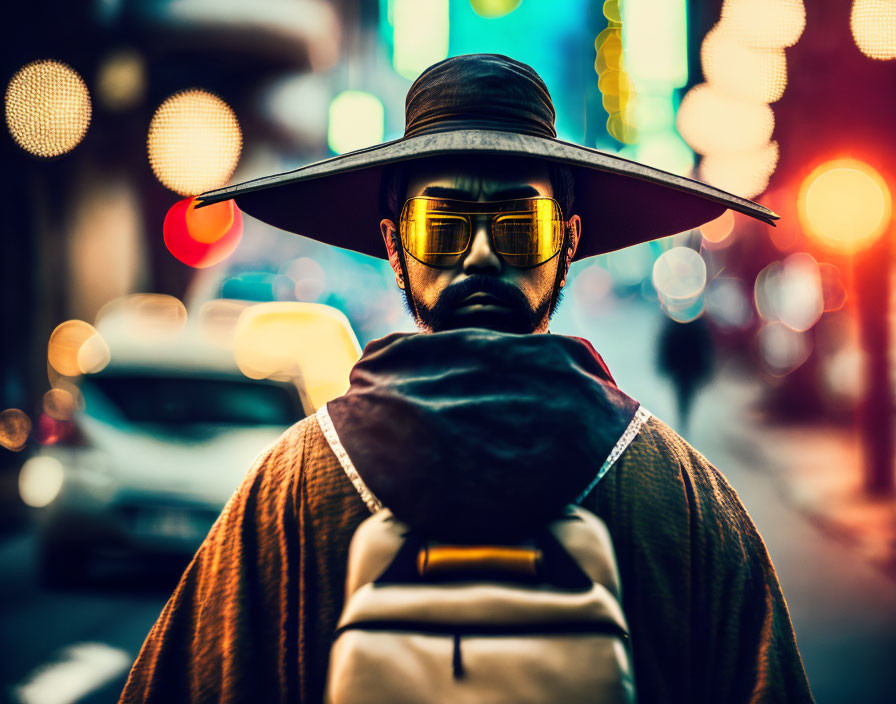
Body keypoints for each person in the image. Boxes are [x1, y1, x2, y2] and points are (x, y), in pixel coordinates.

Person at [120, 55, 814, 703]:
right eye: (446, 226)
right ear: (395, 243)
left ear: (568, 241)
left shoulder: (293, 487)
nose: (481, 257)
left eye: (516, 225)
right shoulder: (684, 495)